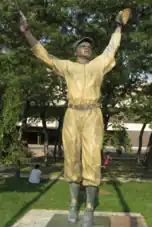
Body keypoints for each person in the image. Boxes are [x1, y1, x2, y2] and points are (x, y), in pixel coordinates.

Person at [20, 8, 131, 227]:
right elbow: (46, 56)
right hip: (72, 114)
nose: (87, 48)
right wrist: (26, 33)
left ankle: (88, 209)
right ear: (76, 51)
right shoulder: (68, 67)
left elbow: (111, 48)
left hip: (92, 115)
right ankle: (72, 204)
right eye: (83, 45)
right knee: (71, 159)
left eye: (89, 46)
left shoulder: (98, 65)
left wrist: (118, 27)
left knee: (92, 159)